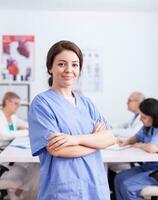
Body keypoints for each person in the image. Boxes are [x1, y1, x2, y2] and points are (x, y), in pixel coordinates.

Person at [28, 40, 116, 200]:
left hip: (95, 186)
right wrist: (95, 143)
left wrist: (74, 139)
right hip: (64, 189)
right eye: (61, 64)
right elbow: (58, 150)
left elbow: (110, 138)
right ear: (50, 67)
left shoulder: (86, 103)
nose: (69, 70)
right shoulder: (41, 104)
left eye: (75, 65)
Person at [114, 98, 158, 200]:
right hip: (148, 167)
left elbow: (152, 148)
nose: (140, 119)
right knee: (118, 178)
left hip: (156, 172)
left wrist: (140, 145)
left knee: (128, 186)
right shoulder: (147, 126)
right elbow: (137, 137)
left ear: (154, 118)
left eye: (144, 117)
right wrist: (126, 142)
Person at [0, 91, 36, 200]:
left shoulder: (12, 118)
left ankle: (15, 192)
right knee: (30, 166)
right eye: (16, 103)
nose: (18, 107)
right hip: (3, 154)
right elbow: (4, 135)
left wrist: (31, 127)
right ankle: (13, 192)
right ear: (7, 101)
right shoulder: (0, 116)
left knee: (33, 166)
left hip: (9, 151)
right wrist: (26, 132)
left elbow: (27, 125)